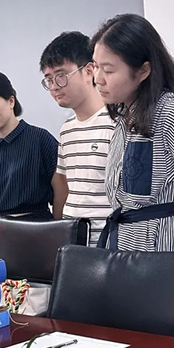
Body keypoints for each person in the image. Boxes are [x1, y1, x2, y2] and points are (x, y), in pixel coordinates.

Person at [91, 14, 174, 251]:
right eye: (95, 67)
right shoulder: (124, 119)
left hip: (170, 254)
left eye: (109, 71)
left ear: (143, 70)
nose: (98, 79)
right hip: (128, 253)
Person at [0, 71, 63, 244]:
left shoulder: (40, 139)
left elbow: (61, 189)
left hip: (38, 232)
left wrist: (57, 229)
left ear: (11, 101)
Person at [40, 31, 115, 247]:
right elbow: (64, 186)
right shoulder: (67, 130)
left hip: (108, 243)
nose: (54, 86)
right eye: (48, 79)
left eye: (61, 75)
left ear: (89, 71)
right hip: (74, 243)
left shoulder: (116, 123)